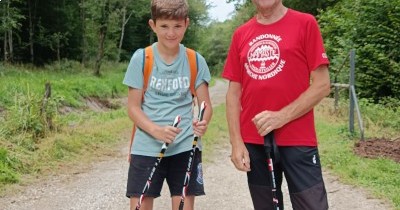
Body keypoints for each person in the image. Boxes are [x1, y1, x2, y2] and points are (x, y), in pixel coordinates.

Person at [222, 0, 331, 209]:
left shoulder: (305, 23)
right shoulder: (241, 34)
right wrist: (236, 142)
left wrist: (281, 117)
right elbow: (233, 94)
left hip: (298, 139)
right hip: (255, 142)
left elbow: (322, 85)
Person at [123, 0, 213, 209]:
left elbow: (205, 105)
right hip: (146, 146)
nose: (171, 33)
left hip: (185, 146)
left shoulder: (195, 60)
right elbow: (133, 108)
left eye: (177, 26)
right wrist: (157, 131)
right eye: (164, 26)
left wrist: (203, 121)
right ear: (153, 25)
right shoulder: (141, 58)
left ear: (186, 24)